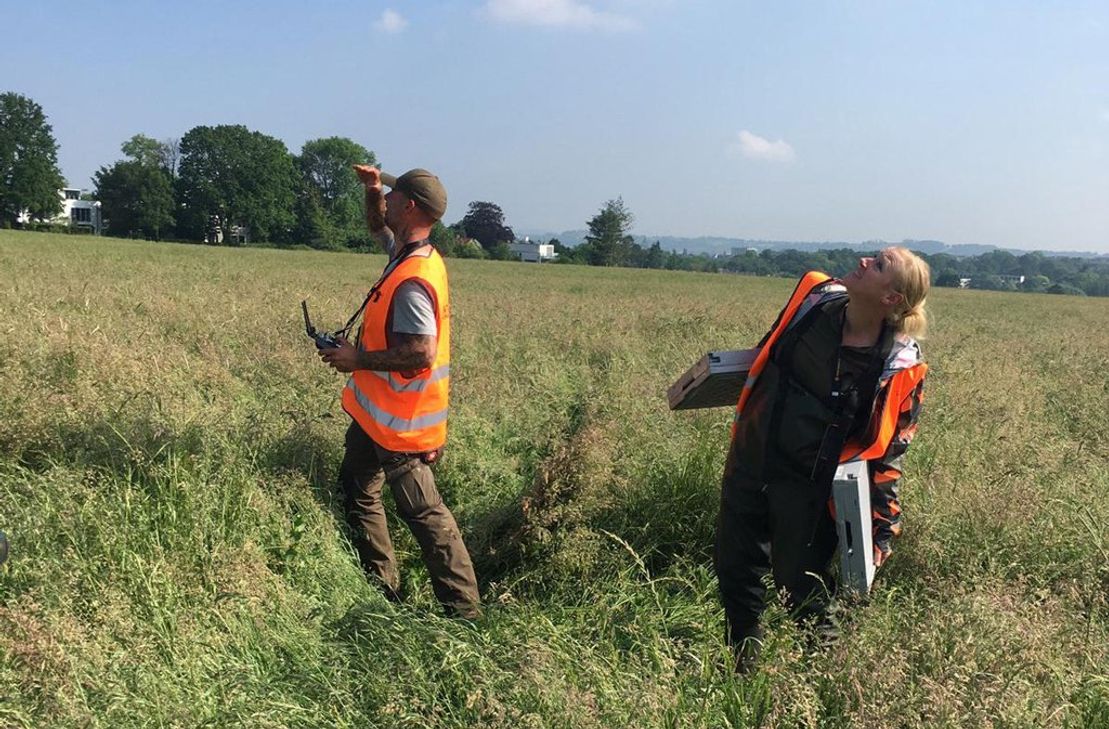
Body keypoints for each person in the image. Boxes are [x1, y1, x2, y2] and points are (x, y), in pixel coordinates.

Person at [715, 247, 930, 669]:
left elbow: (889, 453)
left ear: (891, 299)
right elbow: (766, 355)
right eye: (874, 256)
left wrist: (881, 534)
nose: (866, 261)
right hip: (751, 461)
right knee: (735, 572)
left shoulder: (898, 366)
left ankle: (822, 684)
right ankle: (742, 671)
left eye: (880, 265)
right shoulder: (814, 299)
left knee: (802, 591)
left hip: (808, 492)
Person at [318, 165, 481, 619]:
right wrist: (372, 189)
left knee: (428, 519)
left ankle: (465, 616)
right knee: (357, 490)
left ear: (409, 205)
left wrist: (357, 360)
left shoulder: (412, 280)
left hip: (401, 427)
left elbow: (419, 354)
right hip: (374, 417)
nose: (385, 202)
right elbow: (377, 225)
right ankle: (381, 588)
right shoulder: (409, 255)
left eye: (391, 195)